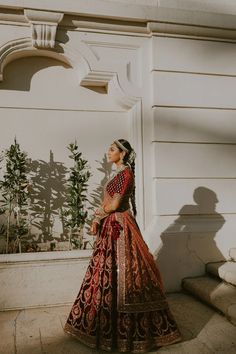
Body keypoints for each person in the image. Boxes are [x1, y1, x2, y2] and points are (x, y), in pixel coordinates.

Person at [64, 139, 182, 353]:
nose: (108, 152)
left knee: (127, 273)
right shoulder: (119, 174)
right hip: (113, 224)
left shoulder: (125, 174)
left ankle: (129, 331)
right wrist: (98, 218)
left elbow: (116, 205)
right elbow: (110, 203)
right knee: (110, 273)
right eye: (108, 148)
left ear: (123, 153)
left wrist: (98, 215)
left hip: (119, 225)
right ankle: (106, 324)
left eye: (112, 149)